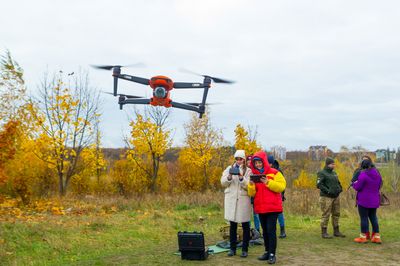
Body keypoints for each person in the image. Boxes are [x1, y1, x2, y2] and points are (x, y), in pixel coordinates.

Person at [248, 150, 286, 264]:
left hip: (273, 208)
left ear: (264, 161)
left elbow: (281, 187)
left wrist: (268, 182)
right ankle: (266, 251)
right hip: (261, 208)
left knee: (271, 231)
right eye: (256, 163)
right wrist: (250, 185)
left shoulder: (275, 173)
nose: (258, 165)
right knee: (265, 231)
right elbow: (252, 194)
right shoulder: (255, 176)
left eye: (260, 162)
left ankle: (272, 254)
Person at [221, 150, 252, 257]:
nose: (239, 161)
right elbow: (223, 182)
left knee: (245, 225)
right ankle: (232, 249)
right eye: (237, 159)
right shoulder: (228, 169)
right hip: (231, 200)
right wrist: (229, 177)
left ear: (244, 160)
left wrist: (241, 177)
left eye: (241, 159)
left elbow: (249, 186)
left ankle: (245, 249)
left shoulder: (248, 171)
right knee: (232, 225)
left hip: (243, 200)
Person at [352, 159, 383, 244]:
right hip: (375, 200)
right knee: (373, 217)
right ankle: (376, 237)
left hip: (364, 200)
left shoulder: (363, 174)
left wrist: (353, 184)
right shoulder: (377, 174)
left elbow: (358, 187)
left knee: (364, 218)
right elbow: (380, 184)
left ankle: (363, 237)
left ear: (363, 166)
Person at [316, 157, 346, 239]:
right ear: (328, 164)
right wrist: (328, 191)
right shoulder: (322, 173)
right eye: (332, 164)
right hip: (326, 197)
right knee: (326, 214)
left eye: (334, 164)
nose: (334, 165)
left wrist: (340, 188)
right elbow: (319, 184)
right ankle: (324, 232)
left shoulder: (334, 173)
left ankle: (336, 231)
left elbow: (338, 182)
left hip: (336, 196)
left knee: (336, 214)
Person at [268, 155, 287, 238]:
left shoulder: (278, 171)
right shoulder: (266, 171)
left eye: (269, 163)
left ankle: (283, 230)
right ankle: (273, 231)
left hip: (278, 195)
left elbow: (282, 184)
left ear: (271, 163)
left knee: (279, 213)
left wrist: (282, 195)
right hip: (269, 196)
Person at [247, 154, 261, 234]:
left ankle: (257, 230)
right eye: (247, 161)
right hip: (247, 196)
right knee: (247, 215)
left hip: (255, 196)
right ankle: (248, 231)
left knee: (256, 214)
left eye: (250, 161)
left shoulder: (256, 171)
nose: (249, 162)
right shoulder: (245, 171)